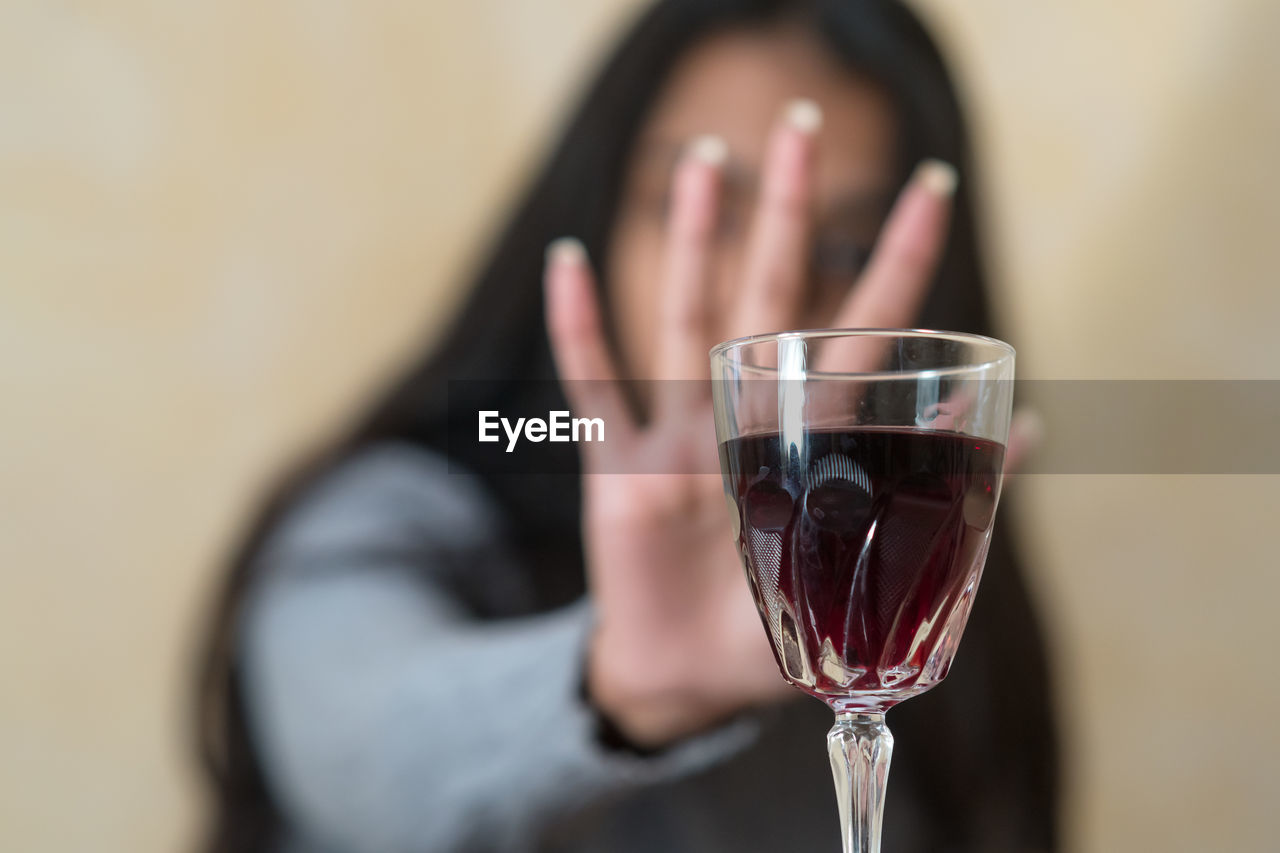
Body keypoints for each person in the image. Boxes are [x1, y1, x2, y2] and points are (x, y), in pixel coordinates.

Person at [194, 1, 1058, 850]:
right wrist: (626, 686)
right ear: (597, 213)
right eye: (703, 208)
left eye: (846, 251)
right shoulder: (393, 512)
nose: (774, 294)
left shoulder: (916, 604)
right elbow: (367, 762)